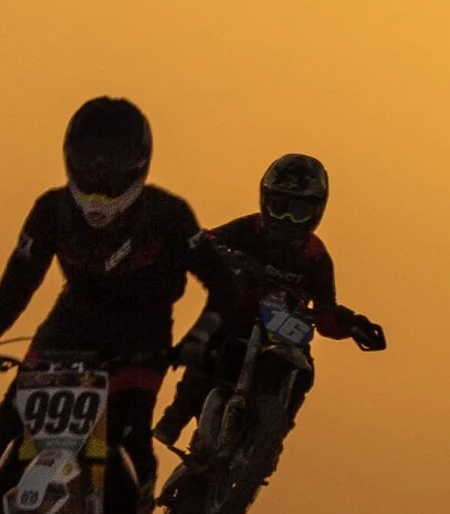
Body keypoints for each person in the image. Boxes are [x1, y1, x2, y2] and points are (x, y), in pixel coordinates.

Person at [0, 97, 203, 514]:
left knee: (131, 433)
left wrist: (200, 339)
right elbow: (20, 280)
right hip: (67, 331)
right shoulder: (51, 209)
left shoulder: (168, 213)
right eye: (92, 160)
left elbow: (221, 282)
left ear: (138, 162)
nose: (101, 174)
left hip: (142, 337)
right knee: (8, 423)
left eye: (112, 162)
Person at [155, 153, 386, 465]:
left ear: (316, 212)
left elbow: (326, 313)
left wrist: (351, 324)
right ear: (265, 201)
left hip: (284, 332)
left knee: (304, 373)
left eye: (299, 211)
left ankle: (269, 442)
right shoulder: (248, 228)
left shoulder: (315, 256)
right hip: (241, 316)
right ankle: (176, 416)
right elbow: (205, 241)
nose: (287, 219)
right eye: (280, 207)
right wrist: (216, 253)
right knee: (213, 338)